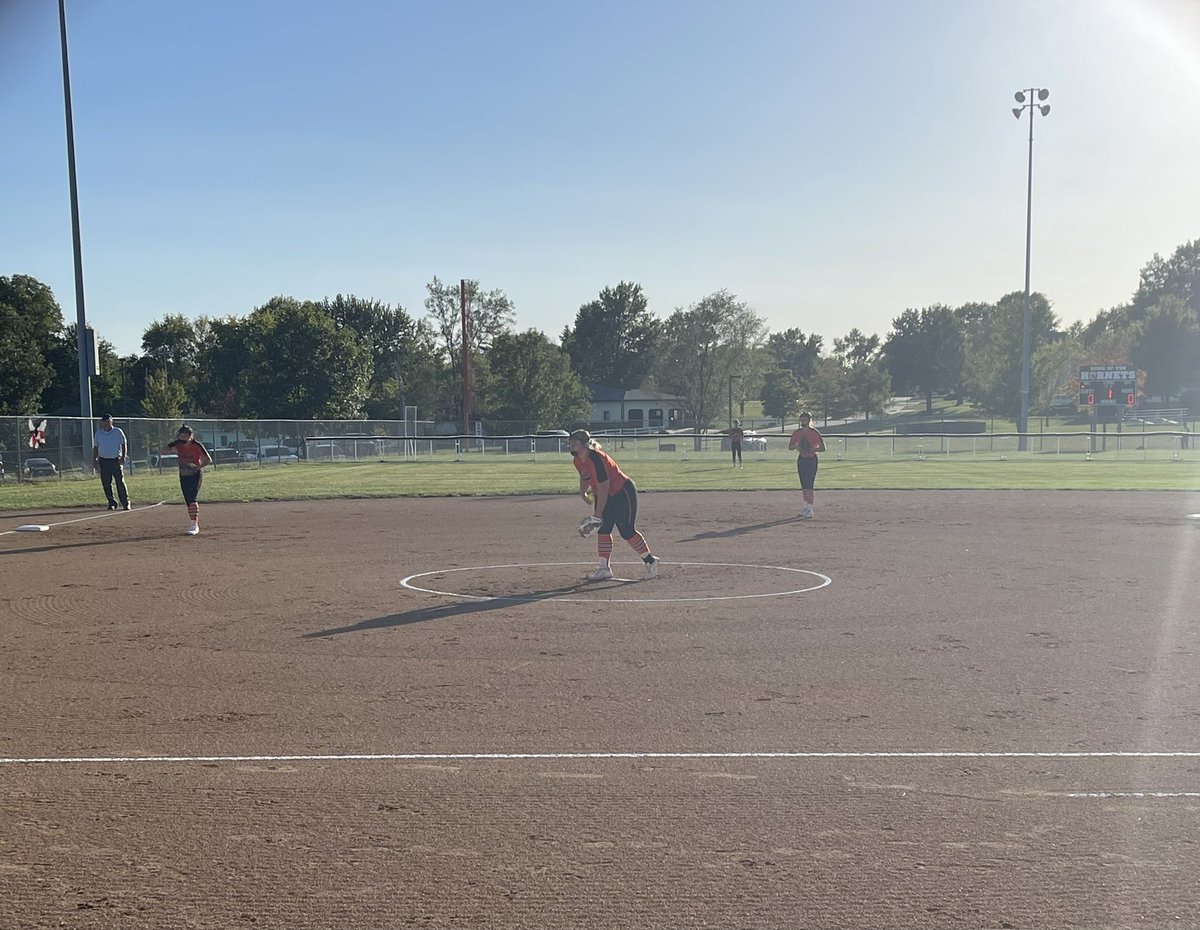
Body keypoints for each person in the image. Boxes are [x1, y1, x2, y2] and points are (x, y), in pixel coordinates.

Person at [569, 428, 660, 581]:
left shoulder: (596, 458)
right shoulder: (577, 460)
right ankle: (604, 569)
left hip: (622, 492)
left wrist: (598, 514)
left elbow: (604, 487)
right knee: (603, 530)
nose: (571, 445)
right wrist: (583, 492)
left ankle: (651, 561)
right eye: (571, 442)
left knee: (627, 531)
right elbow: (585, 477)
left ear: (584, 444)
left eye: (575, 442)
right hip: (604, 494)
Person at [162, 424, 212, 536]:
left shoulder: (196, 445)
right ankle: (192, 523)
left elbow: (208, 459)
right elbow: (162, 451)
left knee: (192, 498)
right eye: (181, 435)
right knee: (188, 501)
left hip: (195, 475)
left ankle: (194, 525)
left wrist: (197, 467)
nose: (183, 437)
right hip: (183, 475)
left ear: (190, 435)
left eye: (185, 435)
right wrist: (173, 444)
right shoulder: (178, 445)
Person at [788, 412, 826, 520]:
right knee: (804, 483)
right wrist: (797, 446)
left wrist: (812, 449)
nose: (802, 422)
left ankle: (810, 508)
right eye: (801, 420)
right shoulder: (797, 433)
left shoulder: (814, 433)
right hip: (802, 459)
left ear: (809, 420)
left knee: (809, 483)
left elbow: (823, 448)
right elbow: (790, 446)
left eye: (804, 420)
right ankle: (807, 506)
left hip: (811, 459)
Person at [92, 414, 130, 510]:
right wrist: (95, 459)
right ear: (102, 423)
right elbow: (96, 447)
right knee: (106, 483)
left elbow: (124, 444)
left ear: (111, 422)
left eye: (108, 421)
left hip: (116, 460)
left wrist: (123, 456)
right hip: (104, 461)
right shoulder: (98, 434)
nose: (106, 423)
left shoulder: (118, 431)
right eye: (105, 422)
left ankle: (125, 503)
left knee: (120, 482)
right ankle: (112, 502)